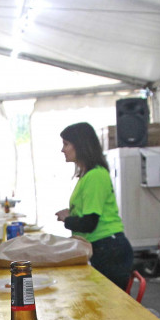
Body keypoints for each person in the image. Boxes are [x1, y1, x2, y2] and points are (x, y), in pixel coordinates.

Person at [55, 122, 134, 291]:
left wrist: (67, 219)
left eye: (66, 144)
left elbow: (90, 223)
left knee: (107, 305)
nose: (63, 150)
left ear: (80, 145)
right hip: (101, 247)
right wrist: (73, 213)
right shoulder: (87, 176)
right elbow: (88, 211)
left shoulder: (95, 176)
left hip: (109, 249)